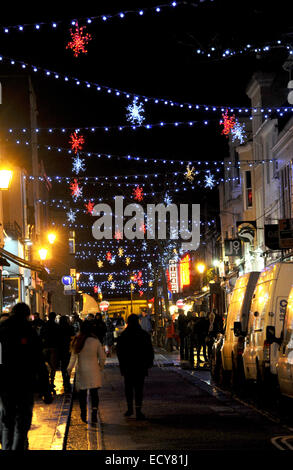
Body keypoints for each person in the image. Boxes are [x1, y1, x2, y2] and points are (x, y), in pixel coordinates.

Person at [0, 303, 53, 450]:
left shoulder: (2, 330)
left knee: (7, 422)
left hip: (5, 384)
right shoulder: (29, 331)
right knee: (22, 424)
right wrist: (45, 390)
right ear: (27, 315)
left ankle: (7, 447)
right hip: (25, 383)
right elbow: (39, 362)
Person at [116, 314, 154, 420]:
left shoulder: (124, 335)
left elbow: (120, 352)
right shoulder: (144, 335)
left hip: (128, 366)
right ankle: (138, 410)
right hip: (140, 365)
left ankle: (129, 409)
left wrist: (122, 364)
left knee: (128, 388)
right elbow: (149, 350)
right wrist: (149, 362)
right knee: (139, 389)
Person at [67, 320, 106, 424]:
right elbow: (102, 357)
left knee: (82, 394)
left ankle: (83, 413)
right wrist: (100, 367)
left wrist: (69, 370)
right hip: (94, 370)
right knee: (94, 393)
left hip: (82, 371)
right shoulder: (95, 341)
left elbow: (73, 358)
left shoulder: (77, 340)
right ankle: (94, 412)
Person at [40, 312, 61, 392]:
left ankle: (46, 382)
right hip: (54, 348)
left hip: (45, 347)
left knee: (45, 366)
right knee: (53, 366)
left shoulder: (44, 325)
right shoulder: (56, 326)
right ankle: (51, 381)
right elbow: (59, 337)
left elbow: (41, 335)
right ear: (55, 317)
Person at [58, 315, 75, 392]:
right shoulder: (70, 327)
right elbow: (73, 338)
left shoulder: (58, 328)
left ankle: (64, 380)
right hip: (68, 348)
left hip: (60, 349)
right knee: (68, 365)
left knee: (63, 365)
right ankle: (67, 380)